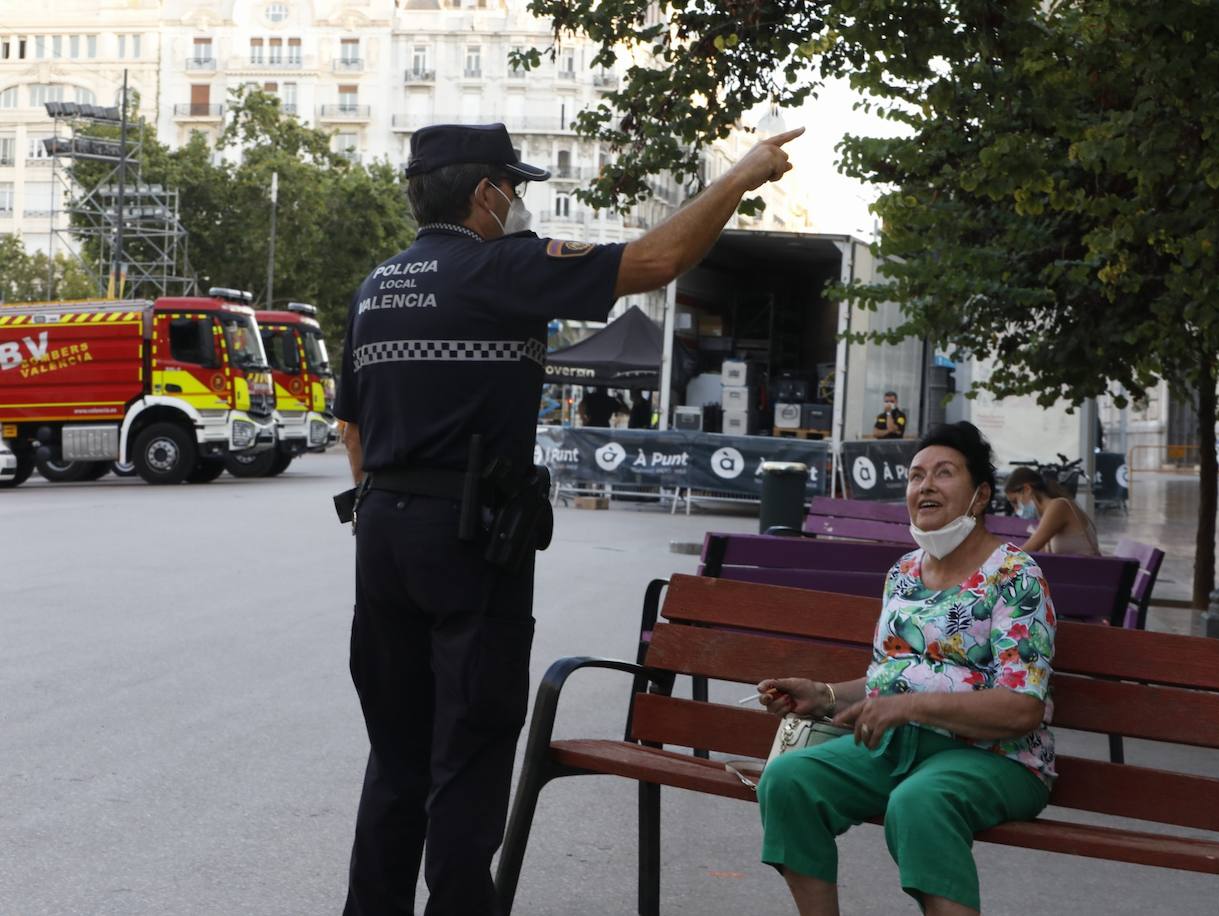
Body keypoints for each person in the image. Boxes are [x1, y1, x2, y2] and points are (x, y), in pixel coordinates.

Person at [334, 120, 804, 915]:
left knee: (397, 756)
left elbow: (351, 426)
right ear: (484, 193)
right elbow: (658, 261)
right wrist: (741, 178)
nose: (516, 204)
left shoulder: (374, 288)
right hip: (468, 540)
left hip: (382, 534)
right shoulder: (502, 267)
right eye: (511, 189)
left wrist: (394, 514)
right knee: (471, 754)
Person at [754, 421, 1056, 916]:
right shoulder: (903, 573)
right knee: (788, 781)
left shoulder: (1016, 575)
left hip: (997, 756)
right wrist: (825, 694)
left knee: (919, 802)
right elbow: (890, 679)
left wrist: (906, 707)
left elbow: (1022, 708)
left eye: (944, 473)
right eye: (916, 476)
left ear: (980, 496)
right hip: (899, 747)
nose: (926, 486)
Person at [1004, 466, 1101, 555]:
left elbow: (1026, 551)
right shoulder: (1050, 511)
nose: (1015, 509)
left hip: (1089, 571)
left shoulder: (1058, 506)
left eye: (1015, 502)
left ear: (1027, 489)